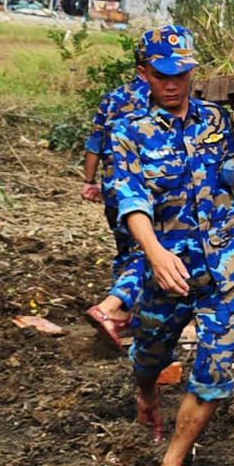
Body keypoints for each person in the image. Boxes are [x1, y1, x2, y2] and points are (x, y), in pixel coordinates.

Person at [108, 25, 234, 466]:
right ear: (143, 74)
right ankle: (147, 392)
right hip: (168, 271)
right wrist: (154, 252)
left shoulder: (214, 120)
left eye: (182, 73)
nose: (173, 83)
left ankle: (171, 465)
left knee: (215, 370)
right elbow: (131, 200)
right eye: (162, 74)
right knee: (150, 355)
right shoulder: (129, 131)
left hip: (226, 269)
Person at [80, 57, 151, 348]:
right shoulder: (162, 100)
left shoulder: (113, 99)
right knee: (146, 251)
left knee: (125, 251)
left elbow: (94, 143)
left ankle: (124, 315)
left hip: (113, 190)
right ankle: (110, 308)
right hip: (144, 190)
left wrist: (89, 181)